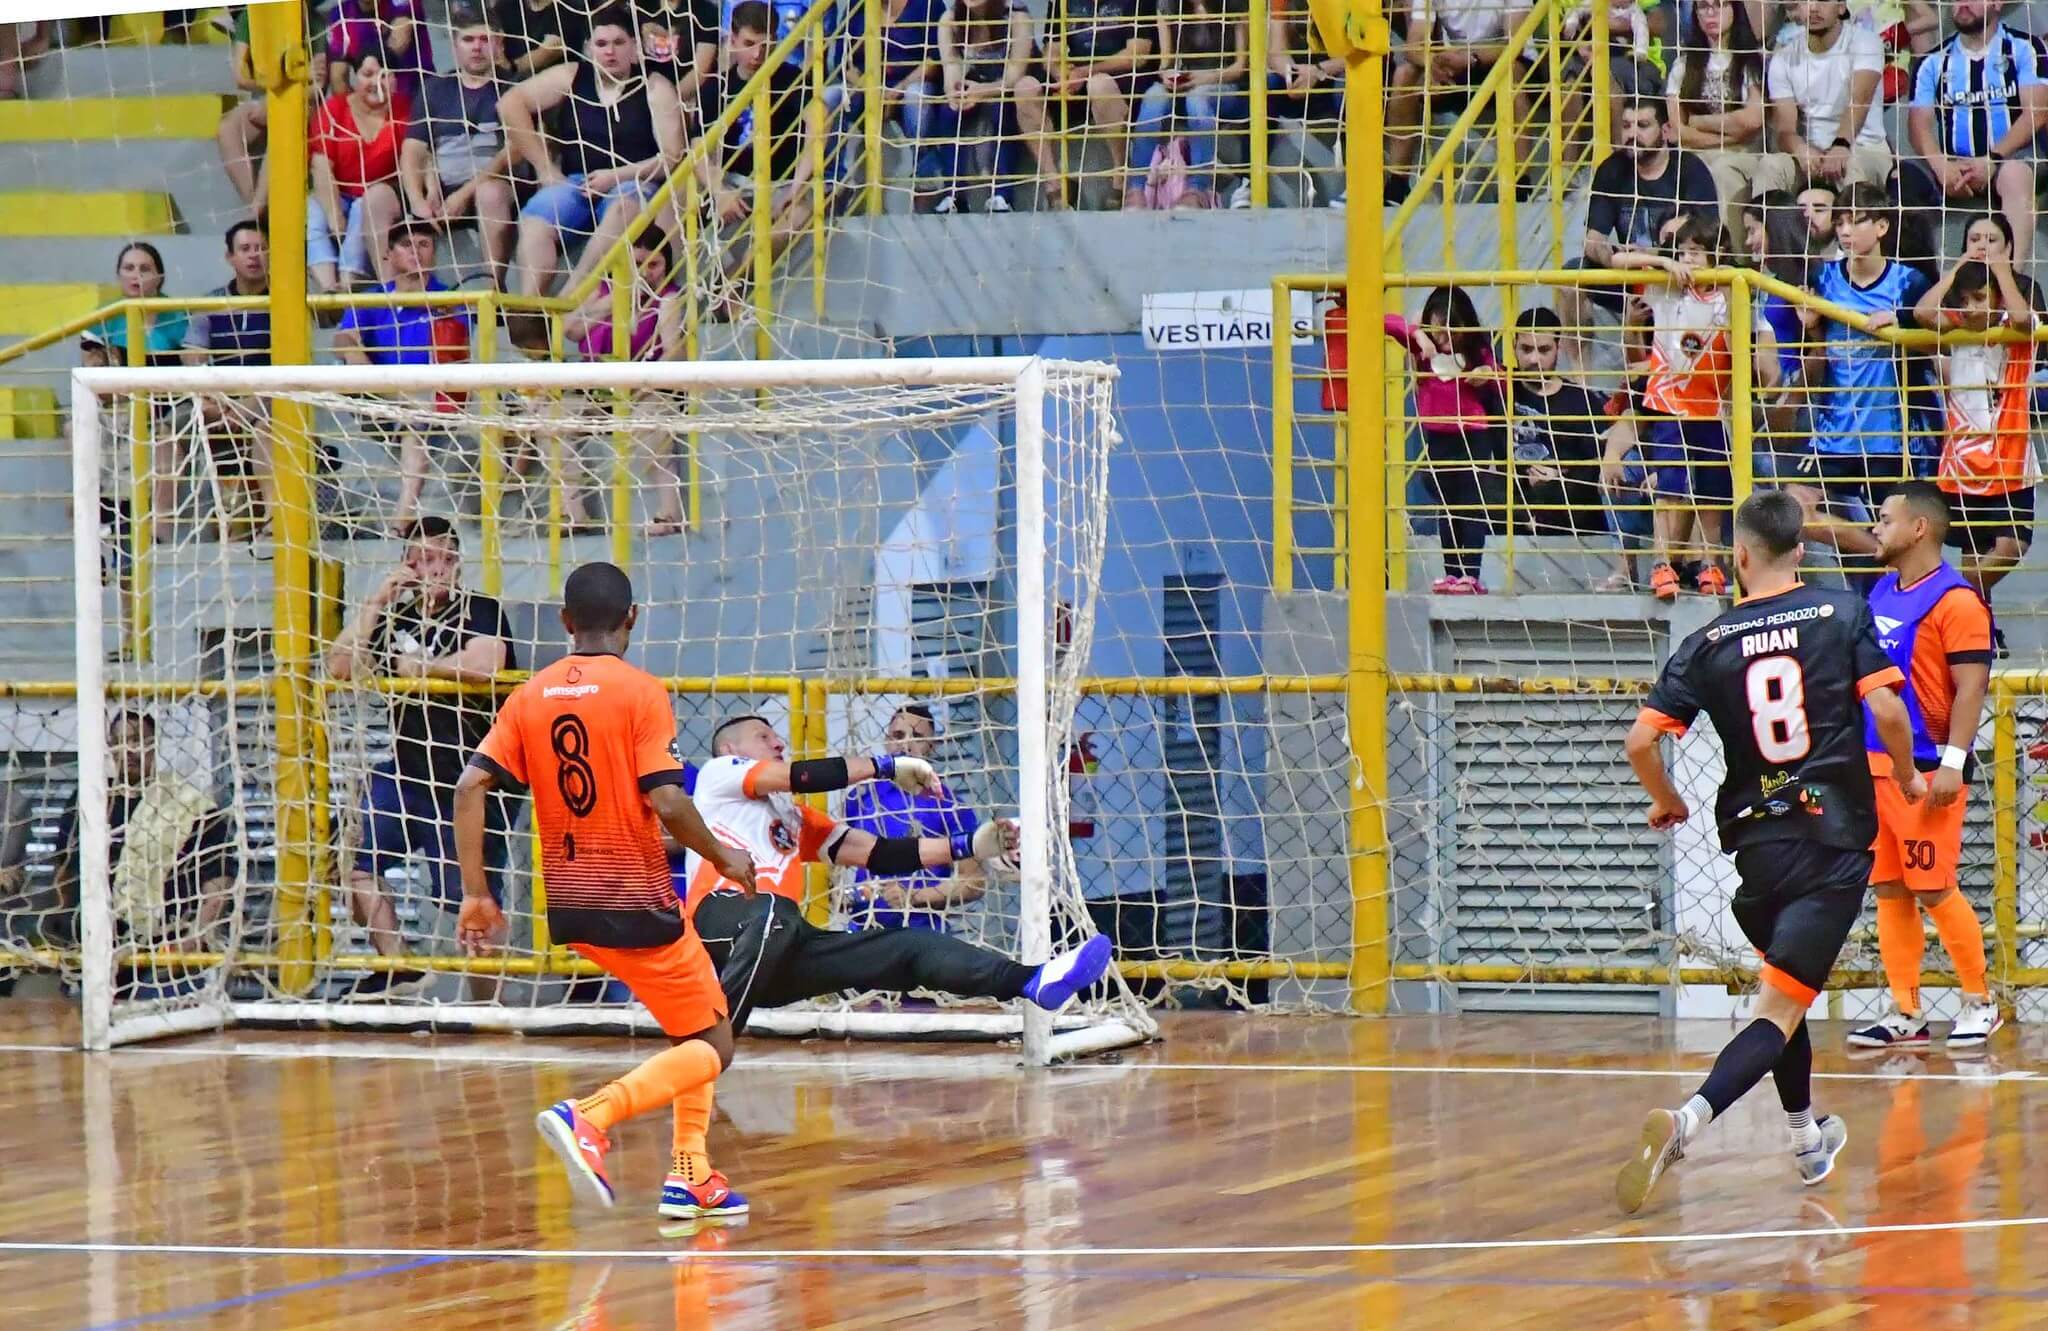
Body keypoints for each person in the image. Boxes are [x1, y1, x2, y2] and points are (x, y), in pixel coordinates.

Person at [1615, 489, 1923, 1215]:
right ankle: (1687, 1121)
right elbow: (1885, 707)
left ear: (1739, 556)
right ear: (1801, 550)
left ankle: (1806, 1136)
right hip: (1832, 840)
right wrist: (1909, 775)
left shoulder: (1708, 640)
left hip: (1756, 847)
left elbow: (1639, 741)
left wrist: (1668, 800)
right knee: (1778, 1012)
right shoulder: (1841, 611)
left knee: (1786, 993)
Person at [456, 561, 760, 1222]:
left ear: (566, 622)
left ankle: (691, 1175)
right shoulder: (640, 691)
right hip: (635, 898)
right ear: (633, 618)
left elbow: (469, 785)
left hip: (570, 902)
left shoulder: (530, 693)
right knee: (715, 1045)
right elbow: (668, 799)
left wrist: (476, 893)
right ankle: (590, 1115)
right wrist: (724, 855)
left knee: (693, 1024)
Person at [683, 714, 1113, 1036]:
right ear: (730, 749)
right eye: (763, 736)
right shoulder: (720, 774)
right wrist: (886, 764)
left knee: (910, 946)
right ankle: (705, 1044)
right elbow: (802, 775)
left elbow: (877, 853)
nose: (778, 741)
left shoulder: (792, 815)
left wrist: (968, 846)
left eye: (776, 735)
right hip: (721, 923)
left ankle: (1031, 979)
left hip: (777, 945)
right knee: (774, 913)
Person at [1833, 484, 2001, 1050]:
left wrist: (1953, 760)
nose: (1876, 529)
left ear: (1919, 528)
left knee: (1933, 886)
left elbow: (1971, 686)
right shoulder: (1882, 589)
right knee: (1889, 888)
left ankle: (1980, 1001)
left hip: (1927, 767)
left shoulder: (1958, 600)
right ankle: (1906, 1011)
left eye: (1885, 519)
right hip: (1874, 764)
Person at [325, 517, 515, 999]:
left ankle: (487, 1008)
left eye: (444, 559)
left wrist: (425, 668)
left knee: (471, 903)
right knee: (352, 859)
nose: (434, 568)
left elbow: (487, 663)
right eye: (422, 559)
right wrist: (376, 602)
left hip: (469, 780)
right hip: (409, 773)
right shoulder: (397, 618)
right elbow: (339, 667)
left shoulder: (479, 609)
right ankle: (398, 965)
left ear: (457, 564)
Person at [1610, 211, 1782, 599]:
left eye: (1695, 252)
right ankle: (1662, 564)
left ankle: (1709, 564)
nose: (1687, 259)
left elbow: (1745, 355)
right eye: (1682, 252)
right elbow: (1616, 260)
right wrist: (1663, 263)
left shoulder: (1733, 294)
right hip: (1669, 405)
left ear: (1716, 255)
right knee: (1670, 488)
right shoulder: (1666, 289)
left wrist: (1735, 306)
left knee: (1711, 492)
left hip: (1712, 410)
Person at [503, 7, 684, 299]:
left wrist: (614, 176)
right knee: (534, 220)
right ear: (589, 49)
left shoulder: (655, 86)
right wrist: (546, 168)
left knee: (622, 208)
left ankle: (571, 295)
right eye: (601, 44)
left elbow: (672, 158)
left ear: (634, 47)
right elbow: (509, 104)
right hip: (577, 182)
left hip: (633, 182)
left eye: (618, 43)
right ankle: (530, 306)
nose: (609, 52)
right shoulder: (573, 75)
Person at [1787, 184, 1931, 531]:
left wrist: (1902, 322)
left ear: (1881, 227)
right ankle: (1873, 549)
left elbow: (1935, 349)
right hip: (1834, 432)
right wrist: (1812, 328)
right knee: (1795, 510)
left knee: (1900, 531)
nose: (1845, 231)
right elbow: (1820, 351)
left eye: (1855, 221)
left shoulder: (1910, 283)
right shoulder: (1823, 278)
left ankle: (1880, 555)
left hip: (1890, 437)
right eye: (1839, 223)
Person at [52, 710, 240, 953]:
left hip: (164, 944)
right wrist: (63, 928)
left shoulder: (186, 803)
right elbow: (64, 869)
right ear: (110, 748)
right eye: (120, 742)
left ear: (154, 745)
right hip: (93, 943)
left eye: (137, 741)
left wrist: (195, 937)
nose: (129, 750)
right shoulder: (89, 800)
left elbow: (219, 879)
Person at [1556, 98, 1720, 364]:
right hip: (1630, 273)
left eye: (1642, 126)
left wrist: (1652, 255)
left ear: (1665, 131)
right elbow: (1593, 241)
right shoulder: (1612, 169)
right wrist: (1610, 256)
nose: (1632, 134)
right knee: (1570, 278)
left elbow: (1707, 239)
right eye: (1626, 126)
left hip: (1676, 276)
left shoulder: (1690, 169)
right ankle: (1581, 377)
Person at [1912, 250, 2038, 598]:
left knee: (2011, 545)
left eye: (1980, 298)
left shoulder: (2016, 328)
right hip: (1962, 462)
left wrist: (2000, 269)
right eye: (1965, 300)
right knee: (1972, 553)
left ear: (1998, 296)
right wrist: (1957, 268)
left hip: (2011, 461)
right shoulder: (1958, 325)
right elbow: (1922, 313)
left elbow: (2021, 317)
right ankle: (1972, 619)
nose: (1970, 308)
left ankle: (1948, 601)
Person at [334, 222, 474, 531]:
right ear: (389, 254)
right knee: (348, 349)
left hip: (432, 394)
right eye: (407, 245)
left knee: (414, 427)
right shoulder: (374, 298)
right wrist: (352, 345)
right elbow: (342, 340)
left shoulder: (449, 300)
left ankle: (400, 521)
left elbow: (459, 355)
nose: (416, 252)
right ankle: (405, 405)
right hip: (382, 394)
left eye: (424, 245)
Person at [1384, 285, 1506, 593]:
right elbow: (1385, 321)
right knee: (1447, 508)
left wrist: (1487, 374)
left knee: (1471, 506)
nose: (1445, 337)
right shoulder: (1425, 352)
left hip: (1473, 437)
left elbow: (1504, 383)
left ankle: (1471, 574)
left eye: (1453, 328)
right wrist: (1418, 335)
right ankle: (1451, 573)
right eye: (1438, 330)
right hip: (1439, 438)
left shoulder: (1478, 352)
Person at [1507, 307, 1633, 588]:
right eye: (1526, 349)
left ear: (1559, 348)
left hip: (1566, 500)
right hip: (1515, 496)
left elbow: (1599, 461)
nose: (1534, 359)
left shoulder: (1582, 401)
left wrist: (1561, 474)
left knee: (1591, 477)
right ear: (1513, 346)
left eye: (1543, 350)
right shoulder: (1500, 390)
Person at [400, 2, 518, 290]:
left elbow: (513, 152)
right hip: (443, 193)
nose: (476, 47)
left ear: (499, 44)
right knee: (376, 199)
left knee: (490, 193)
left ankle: (493, 290)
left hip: (495, 190)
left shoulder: (514, 88)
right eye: (468, 39)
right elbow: (413, 149)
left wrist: (465, 194)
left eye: (484, 39)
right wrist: (418, 200)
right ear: (454, 46)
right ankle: (390, 297)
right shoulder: (434, 88)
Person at [841, 704, 987, 930]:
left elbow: (974, 882)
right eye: (899, 735)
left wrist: (914, 897)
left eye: (917, 737)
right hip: (864, 932)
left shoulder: (948, 806)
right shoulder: (859, 798)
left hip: (922, 933)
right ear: (887, 740)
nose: (906, 745)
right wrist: (845, 895)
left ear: (932, 746)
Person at [176, 221, 275, 538]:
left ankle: (274, 523)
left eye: (261, 248)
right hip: (219, 402)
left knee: (270, 428)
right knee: (170, 428)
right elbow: (193, 355)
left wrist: (246, 407)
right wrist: (211, 399)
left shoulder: (285, 304)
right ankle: (162, 530)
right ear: (229, 257)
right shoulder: (212, 303)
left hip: (268, 402)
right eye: (245, 249)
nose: (254, 256)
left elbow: (287, 370)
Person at [1013, 0, 1158, 209]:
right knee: (1025, 88)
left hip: (1123, 77)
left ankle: (1120, 178)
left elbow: (1137, 55)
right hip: (1077, 77)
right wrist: (1060, 73)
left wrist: (1086, 72)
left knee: (1099, 84)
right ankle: (1055, 184)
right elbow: (1051, 51)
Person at [1752, 0, 1893, 195]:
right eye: (1805, 2)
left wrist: (1841, 145)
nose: (1813, 8)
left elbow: (1859, 100)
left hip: (1864, 149)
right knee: (1770, 166)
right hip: (1815, 156)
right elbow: (1785, 129)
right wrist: (1800, 149)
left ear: (1841, 7)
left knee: (1851, 166)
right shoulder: (1784, 58)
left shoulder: (1866, 42)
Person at [1123, 0, 1248, 210]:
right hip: (1186, 83)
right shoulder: (1167, 6)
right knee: (1154, 96)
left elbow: (1240, 67)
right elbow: (1166, 62)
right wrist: (1168, 76)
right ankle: (1136, 188)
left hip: (1224, 85)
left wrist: (1204, 78)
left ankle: (1197, 189)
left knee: (1198, 98)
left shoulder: (1236, 5)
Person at [308, 53, 411, 295]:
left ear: (395, 80)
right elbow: (320, 166)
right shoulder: (335, 108)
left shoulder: (405, 110)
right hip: (337, 191)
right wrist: (334, 213)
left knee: (361, 209)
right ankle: (327, 288)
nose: (377, 82)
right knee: (314, 213)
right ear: (354, 78)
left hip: (378, 196)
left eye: (385, 76)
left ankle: (347, 284)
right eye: (368, 74)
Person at [1666, 0, 1768, 233]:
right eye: (1703, 7)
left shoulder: (1750, 60)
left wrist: (1698, 121)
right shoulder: (1683, 64)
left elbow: (1752, 121)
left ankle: (1731, 246)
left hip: (1745, 154)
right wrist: (1732, 135)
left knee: (1722, 168)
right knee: (1695, 166)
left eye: (1720, 5)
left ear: (1735, 10)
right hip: (1700, 153)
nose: (1711, 13)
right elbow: (1678, 132)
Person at [929, 0, 1039, 212]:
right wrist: (955, 92)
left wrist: (983, 91)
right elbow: (950, 65)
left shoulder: (1017, 18)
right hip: (973, 84)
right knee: (948, 111)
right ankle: (954, 194)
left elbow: (1014, 75)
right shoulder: (950, 20)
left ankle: (1003, 195)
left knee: (1001, 109)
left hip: (1006, 88)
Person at [80, 242, 189, 370]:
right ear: (118, 276)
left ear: (159, 278)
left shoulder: (179, 313)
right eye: (129, 268)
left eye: (145, 269)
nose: (136, 275)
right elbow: (90, 367)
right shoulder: (102, 315)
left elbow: (193, 365)